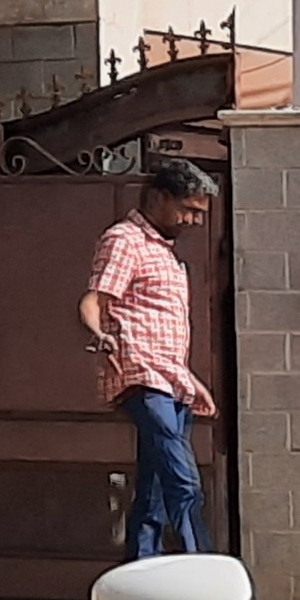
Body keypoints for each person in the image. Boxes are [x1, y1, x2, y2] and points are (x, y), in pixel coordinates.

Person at [81, 158, 218, 560]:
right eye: (188, 209)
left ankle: (140, 574)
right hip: (142, 378)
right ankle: (204, 570)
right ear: (159, 197)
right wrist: (98, 332)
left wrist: (193, 384)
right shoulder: (125, 240)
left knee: (156, 489)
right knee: (184, 481)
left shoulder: (166, 254)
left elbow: (163, 328)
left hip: (171, 382)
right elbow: (96, 298)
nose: (193, 220)